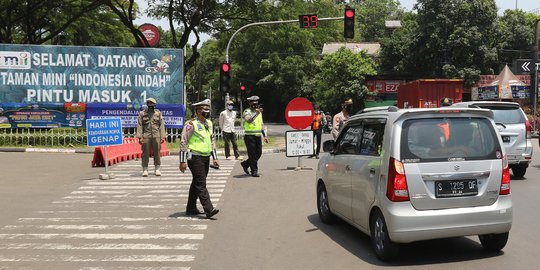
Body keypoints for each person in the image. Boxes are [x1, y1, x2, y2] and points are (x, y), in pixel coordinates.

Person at [179, 99, 220, 219]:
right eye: (203, 110)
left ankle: (191, 208)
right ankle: (209, 209)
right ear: (197, 111)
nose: (206, 112)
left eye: (207, 110)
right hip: (195, 157)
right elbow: (183, 141)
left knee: (196, 183)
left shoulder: (209, 123)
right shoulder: (191, 124)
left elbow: (212, 141)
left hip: (206, 157)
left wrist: (215, 158)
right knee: (201, 183)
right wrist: (182, 161)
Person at [136, 98, 166, 177]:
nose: (150, 105)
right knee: (145, 153)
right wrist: (139, 137)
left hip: (156, 135)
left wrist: (162, 136)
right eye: (149, 103)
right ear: (147, 104)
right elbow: (139, 125)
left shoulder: (158, 113)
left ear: (154, 104)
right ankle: (145, 169)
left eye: (152, 103)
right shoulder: (142, 113)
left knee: (157, 152)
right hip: (146, 135)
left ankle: (157, 168)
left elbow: (161, 125)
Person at [241, 96, 268, 177]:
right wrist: (256, 113)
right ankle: (254, 171)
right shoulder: (246, 111)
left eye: (256, 103)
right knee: (252, 154)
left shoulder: (259, 113)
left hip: (258, 136)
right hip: (249, 136)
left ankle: (246, 164)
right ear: (249, 103)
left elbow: (261, 124)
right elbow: (249, 120)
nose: (255, 105)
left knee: (259, 153)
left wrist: (265, 136)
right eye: (253, 103)